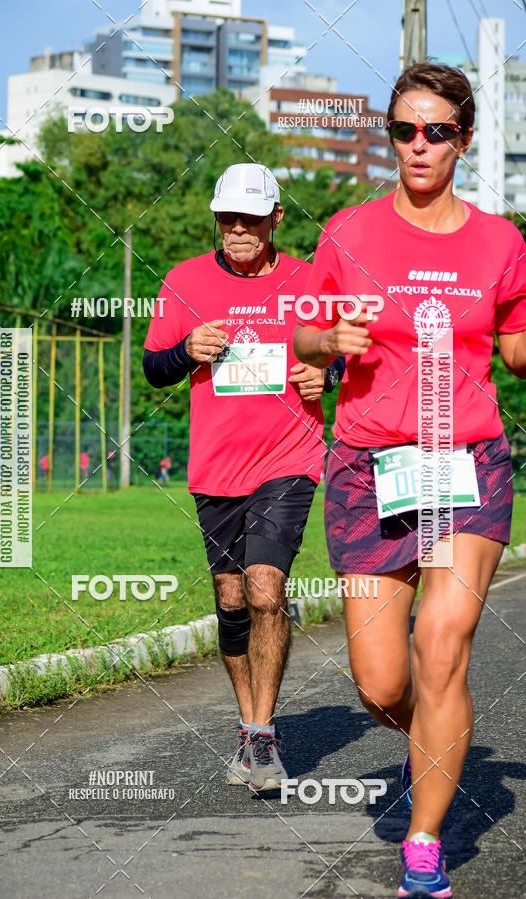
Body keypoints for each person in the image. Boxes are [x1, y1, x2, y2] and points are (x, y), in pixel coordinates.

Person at [293, 63, 526, 898]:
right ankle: (429, 737)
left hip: (468, 463)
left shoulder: (501, 242)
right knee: (383, 681)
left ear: (464, 139)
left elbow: (515, 348)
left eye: (436, 131)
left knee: (443, 644)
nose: (418, 145)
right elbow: (303, 337)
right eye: (403, 130)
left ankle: (424, 846)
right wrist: (330, 342)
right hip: (369, 469)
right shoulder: (349, 231)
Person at [143, 163, 341, 791]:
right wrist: (186, 351)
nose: (237, 229)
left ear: (275, 218)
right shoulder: (183, 281)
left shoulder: (308, 282)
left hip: (288, 459)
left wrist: (328, 374)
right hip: (216, 467)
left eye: (250, 219)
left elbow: (343, 351)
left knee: (264, 590)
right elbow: (153, 367)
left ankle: (262, 736)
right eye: (227, 218)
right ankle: (248, 725)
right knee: (231, 602)